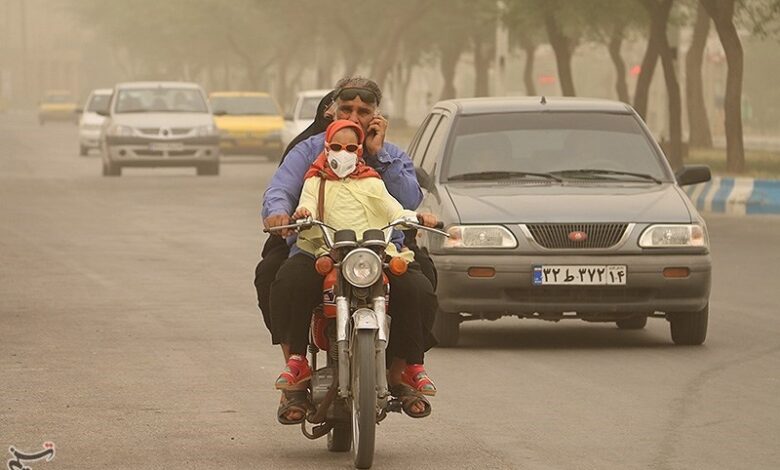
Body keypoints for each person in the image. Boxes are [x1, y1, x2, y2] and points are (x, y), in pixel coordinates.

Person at [262, 77, 438, 423]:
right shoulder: (309, 152)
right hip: (319, 246)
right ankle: (294, 376)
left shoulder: (387, 155)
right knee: (278, 279)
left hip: (381, 249)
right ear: (332, 110)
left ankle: (401, 373)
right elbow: (281, 189)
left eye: (364, 111)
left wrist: (376, 153)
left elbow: (407, 201)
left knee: (420, 285)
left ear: (376, 115)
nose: (355, 117)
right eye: (347, 109)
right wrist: (279, 214)